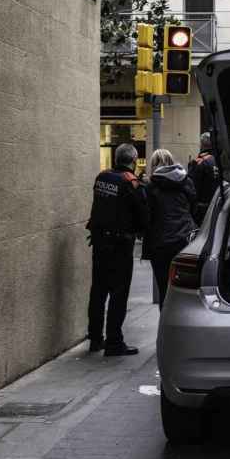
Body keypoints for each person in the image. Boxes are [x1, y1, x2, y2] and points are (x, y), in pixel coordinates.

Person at [87, 143, 149, 357]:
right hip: (120, 246)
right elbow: (143, 217)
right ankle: (114, 342)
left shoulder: (101, 178)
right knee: (118, 294)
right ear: (133, 161)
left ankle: (95, 338)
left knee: (98, 291)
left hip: (99, 242)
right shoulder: (131, 183)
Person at [143, 149, 198, 305]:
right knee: (186, 290)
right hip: (184, 240)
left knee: (164, 290)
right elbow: (193, 208)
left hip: (160, 244)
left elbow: (148, 217)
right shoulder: (186, 181)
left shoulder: (150, 186)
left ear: (153, 165)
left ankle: (167, 325)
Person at [188, 132, 218, 222]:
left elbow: (191, 188)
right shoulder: (221, 161)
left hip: (202, 210)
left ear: (201, 145)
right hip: (218, 206)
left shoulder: (198, 162)